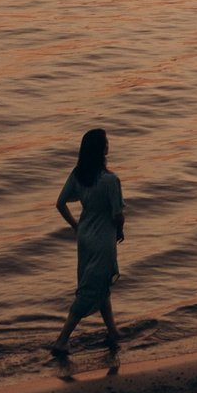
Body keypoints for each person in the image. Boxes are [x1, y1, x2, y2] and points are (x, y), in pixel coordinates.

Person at [52, 128, 125, 354]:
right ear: (101, 149)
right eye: (106, 142)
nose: (108, 145)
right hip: (103, 240)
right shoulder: (110, 180)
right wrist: (120, 229)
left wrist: (76, 226)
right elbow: (118, 214)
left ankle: (112, 331)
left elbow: (60, 203)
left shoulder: (78, 174)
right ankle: (62, 340)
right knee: (89, 290)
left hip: (84, 238)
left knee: (98, 283)